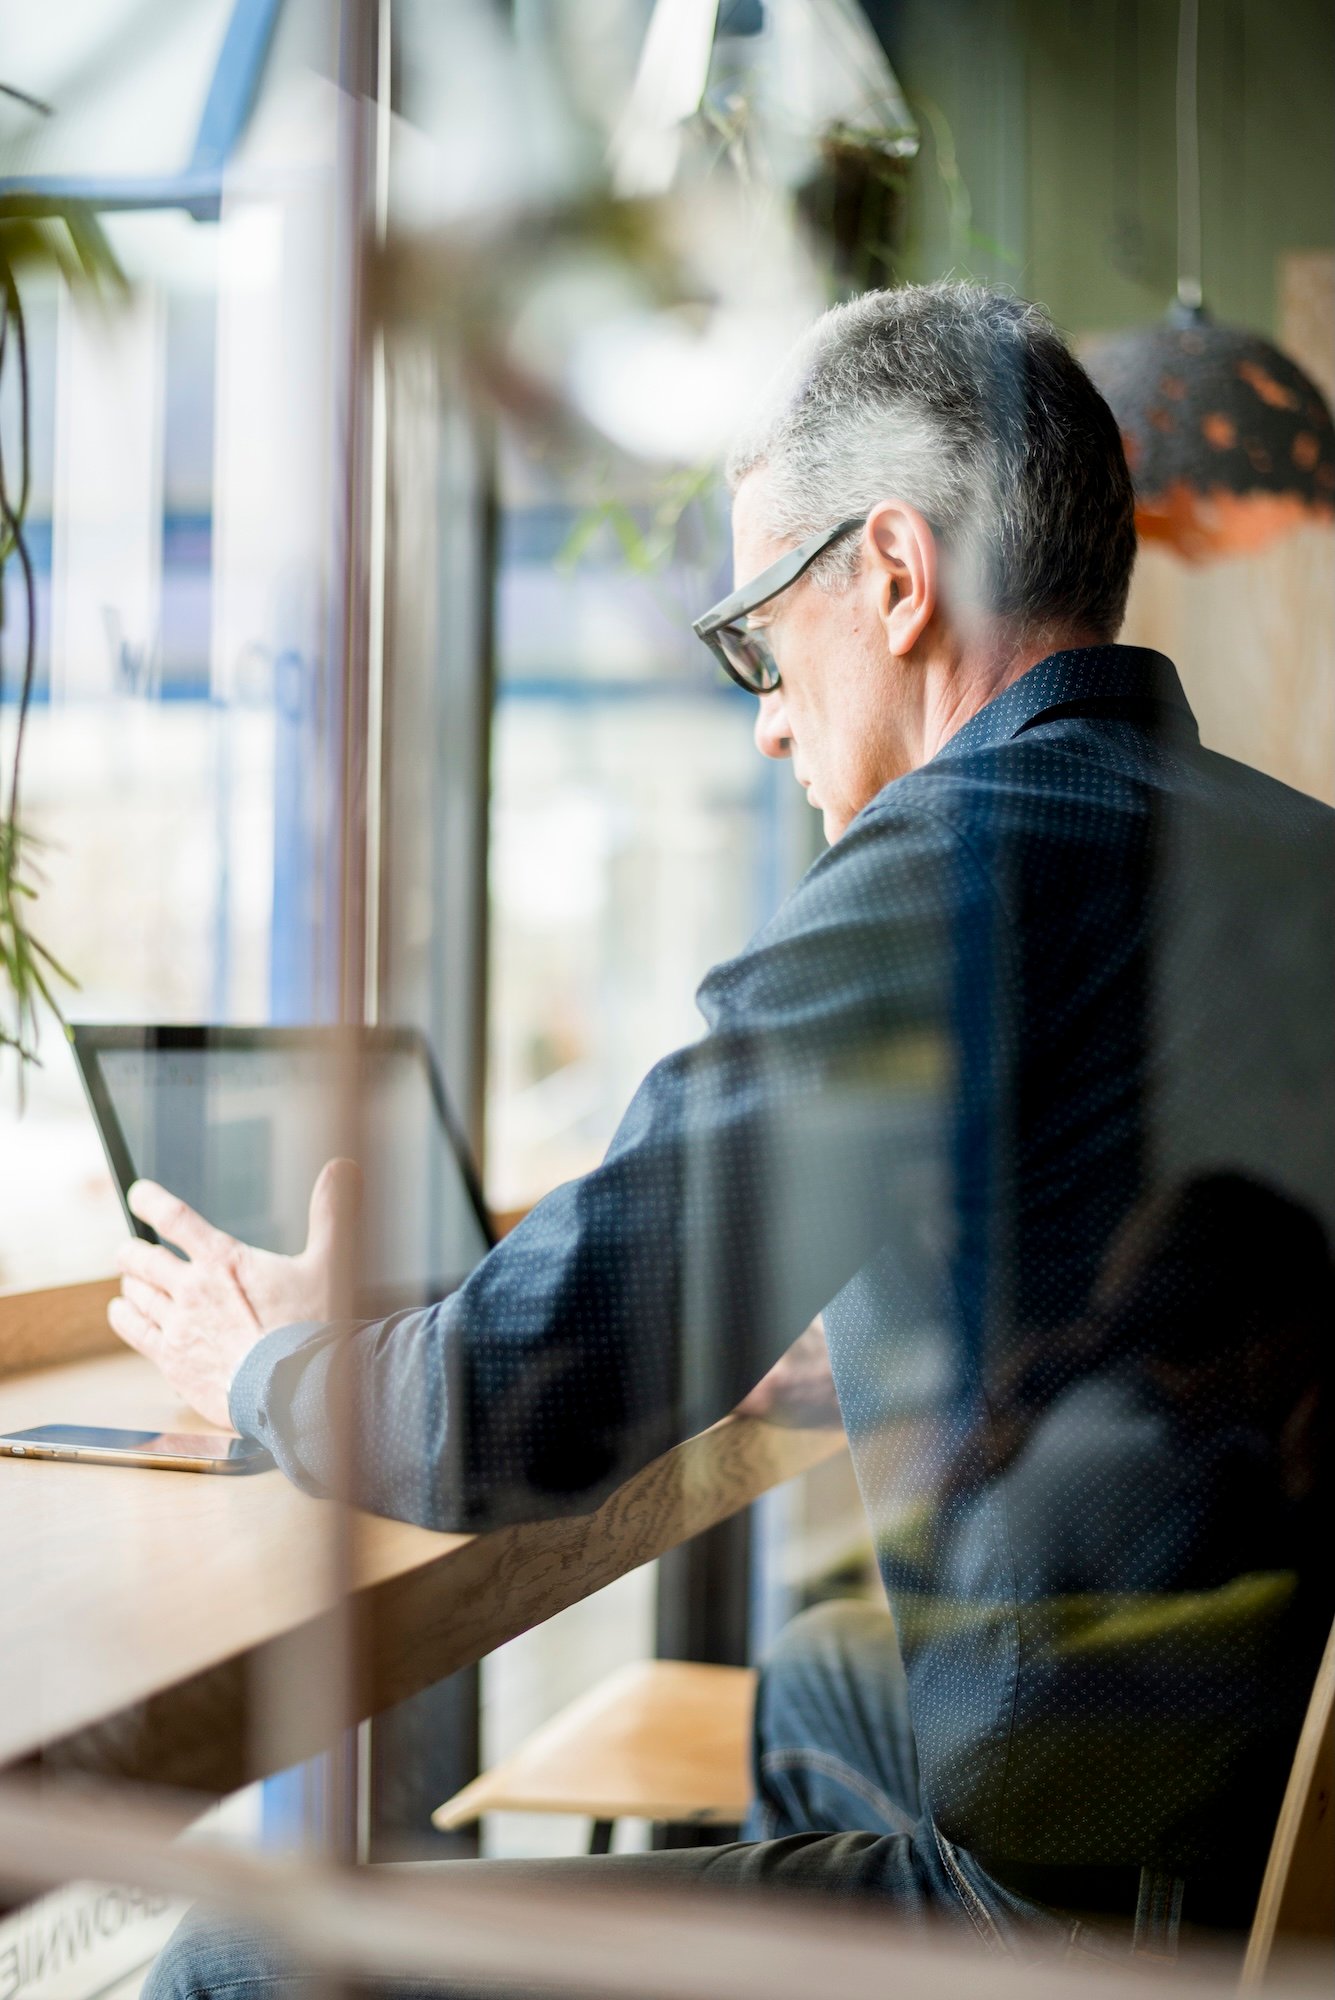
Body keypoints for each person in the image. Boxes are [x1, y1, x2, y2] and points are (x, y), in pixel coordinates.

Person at [115, 284, 1335, 1987]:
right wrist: (913, 1343)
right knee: (823, 1682)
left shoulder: (950, 865)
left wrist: (269, 1364)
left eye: (761, 636)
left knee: (231, 1962)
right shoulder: (1284, 849)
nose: (766, 717)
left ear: (896, 579)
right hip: (1234, 1790)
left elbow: (517, 1408)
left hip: (1064, 1909)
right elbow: (1205, 1262)